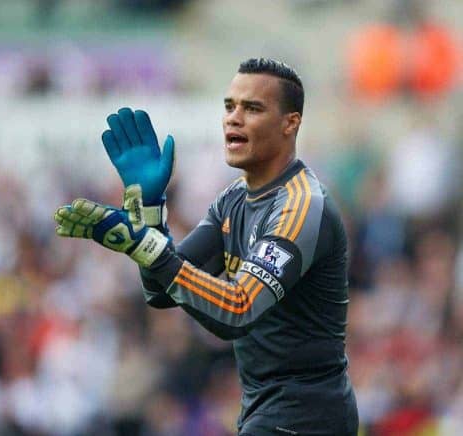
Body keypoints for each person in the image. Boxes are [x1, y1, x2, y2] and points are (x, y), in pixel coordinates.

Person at [54, 58, 359, 435]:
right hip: (267, 410)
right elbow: (162, 292)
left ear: (290, 123)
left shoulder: (301, 206)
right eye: (230, 106)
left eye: (253, 108)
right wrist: (149, 213)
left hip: (308, 415)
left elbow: (238, 309)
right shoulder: (232, 200)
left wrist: (147, 248)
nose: (234, 118)